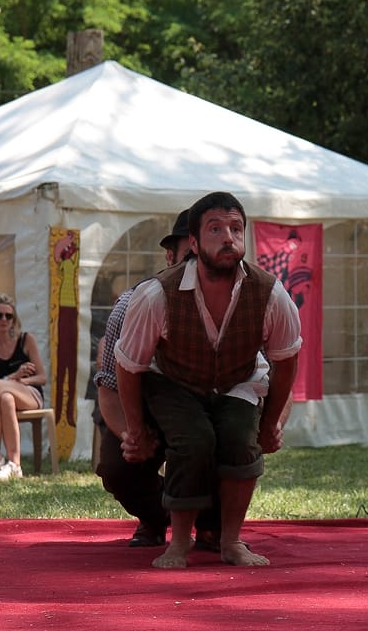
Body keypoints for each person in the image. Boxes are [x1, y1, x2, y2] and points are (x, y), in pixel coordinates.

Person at [115, 191, 302, 569]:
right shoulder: (155, 295)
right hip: (173, 380)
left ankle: (230, 541)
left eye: (236, 228)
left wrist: (270, 425)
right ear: (195, 244)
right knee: (194, 441)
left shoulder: (271, 294)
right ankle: (179, 544)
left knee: (238, 440)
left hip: (239, 381)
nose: (228, 237)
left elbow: (287, 359)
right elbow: (128, 365)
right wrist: (135, 429)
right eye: (215, 229)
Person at [94, 210, 222, 548]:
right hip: (140, 405)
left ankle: (212, 524)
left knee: (230, 439)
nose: (199, 267)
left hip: (206, 408)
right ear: (170, 257)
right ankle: (156, 517)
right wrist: (131, 435)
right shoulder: (132, 304)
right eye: (190, 255)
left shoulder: (240, 302)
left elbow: (263, 372)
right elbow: (108, 384)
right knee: (116, 466)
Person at [0, 293, 47, 480]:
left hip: (29, 394)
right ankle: (15, 464)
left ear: (14, 319)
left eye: (9, 316)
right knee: (4, 396)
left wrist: (23, 381)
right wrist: (14, 377)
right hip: (0, 398)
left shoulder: (26, 340)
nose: (4, 320)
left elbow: (42, 377)